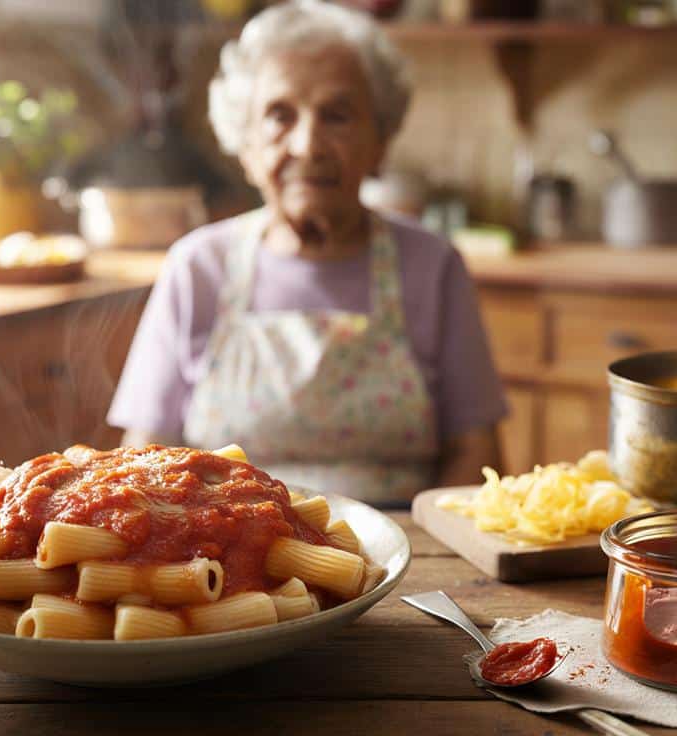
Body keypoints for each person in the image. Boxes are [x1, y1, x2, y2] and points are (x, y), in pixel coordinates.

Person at [108, 0, 507, 506]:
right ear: (246, 145)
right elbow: (143, 455)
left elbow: (476, 453)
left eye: (337, 116)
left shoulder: (433, 266)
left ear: (380, 143)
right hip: (224, 547)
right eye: (280, 115)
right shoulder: (198, 267)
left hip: (399, 546)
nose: (308, 145)